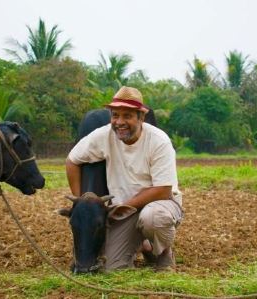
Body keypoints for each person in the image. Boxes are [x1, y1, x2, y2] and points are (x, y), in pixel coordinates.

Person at [65, 86, 183, 271]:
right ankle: (144, 245)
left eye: (127, 116)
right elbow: (72, 161)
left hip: (160, 202)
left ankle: (163, 252)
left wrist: (125, 206)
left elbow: (163, 189)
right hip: (125, 209)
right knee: (113, 267)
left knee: (153, 218)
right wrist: (82, 203)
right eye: (115, 115)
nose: (120, 122)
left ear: (141, 117)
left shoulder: (159, 141)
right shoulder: (104, 135)